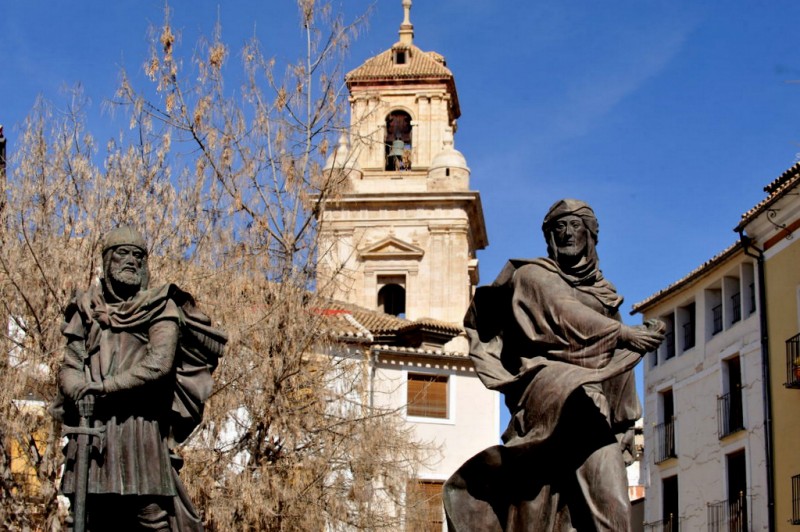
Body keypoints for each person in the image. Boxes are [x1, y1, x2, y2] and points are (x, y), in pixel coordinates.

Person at [443, 199, 664, 532]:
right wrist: (624, 333)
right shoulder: (533, 275)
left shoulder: (603, 294)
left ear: (591, 235)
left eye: (575, 225)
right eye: (558, 226)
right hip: (547, 390)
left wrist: (624, 423)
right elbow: (563, 314)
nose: (567, 232)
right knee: (535, 506)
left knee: (613, 507)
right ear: (548, 236)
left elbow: (615, 365)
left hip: (591, 401)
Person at [51, 227, 227, 531]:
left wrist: (103, 387)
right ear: (106, 261)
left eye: (138, 255)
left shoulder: (161, 306)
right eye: (123, 253)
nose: (131, 261)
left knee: (151, 516)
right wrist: (79, 390)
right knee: (91, 517)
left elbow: (158, 364)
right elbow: (70, 364)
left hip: (141, 428)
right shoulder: (86, 309)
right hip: (95, 429)